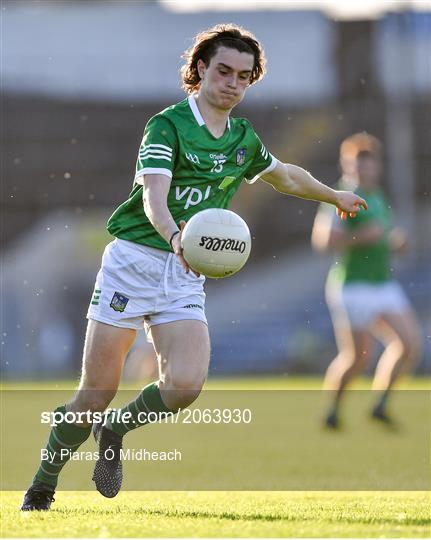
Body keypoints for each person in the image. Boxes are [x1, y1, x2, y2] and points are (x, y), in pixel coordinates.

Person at [21, 23, 366, 511]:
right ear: (201, 69)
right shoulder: (167, 125)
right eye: (224, 71)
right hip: (133, 264)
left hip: (184, 274)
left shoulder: (243, 137)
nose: (233, 83)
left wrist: (333, 196)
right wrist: (176, 237)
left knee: (185, 386)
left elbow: (285, 175)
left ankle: (116, 430)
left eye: (244, 76)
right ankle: (42, 484)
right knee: (94, 395)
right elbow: (153, 199)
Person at [311, 133, 421, 429]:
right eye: (355, 164)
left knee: (410, 344)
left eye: (367, 164)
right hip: (352, 285)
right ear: (346, 165)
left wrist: (395, 243)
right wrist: (361, 237)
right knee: (358, 357)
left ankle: (380, 404)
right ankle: (332, 409)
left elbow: (384, 235)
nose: (362, 170)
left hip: (382, 283)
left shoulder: (378, 197)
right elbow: (322, 240)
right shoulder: (342, 195)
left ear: (377, 166)